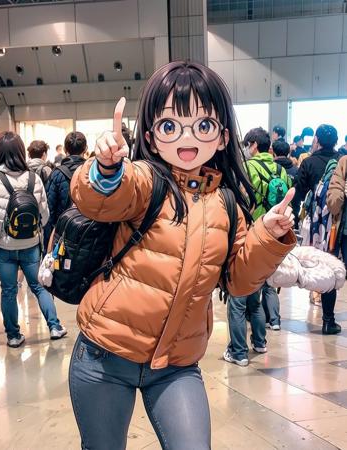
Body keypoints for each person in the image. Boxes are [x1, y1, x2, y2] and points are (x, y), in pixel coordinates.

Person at [68, 61, 296, 450]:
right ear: (153, 138)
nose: (187, 138)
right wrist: (106, 167)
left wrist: (267, 236)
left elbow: (239, 279)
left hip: (176, 365)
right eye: (171, 126)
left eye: (203, 125)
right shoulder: (144, 180)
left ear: (223, 137)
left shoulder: (226, 204)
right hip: (104, 354)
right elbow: (98, 200)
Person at [0, 132, 67, 347]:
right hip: (31, 244)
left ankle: (13, 335)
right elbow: (45, 214)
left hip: (4, 246)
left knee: (9, 290)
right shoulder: (33, 178)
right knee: (39, 287)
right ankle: (55, 326)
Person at [293, 124, 341, 334]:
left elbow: (299, 191)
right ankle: (328, 318)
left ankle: (322, 307)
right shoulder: (342, 161)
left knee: (322, 263)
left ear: (317, 141)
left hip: (317, 224)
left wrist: (293, 216)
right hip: (340, 223)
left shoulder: (309, 162)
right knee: (335, 263)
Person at [245, 128, 291, 331]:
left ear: (254, 145)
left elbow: (245, 198)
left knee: (254, 276)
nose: (247, 148)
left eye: (247, 144)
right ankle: (275, 319)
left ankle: (255, 316)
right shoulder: (280, 169)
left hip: (256, 227)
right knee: (271, 276)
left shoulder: (248, 167)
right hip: (277, 230)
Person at [45, 132, 87, 241]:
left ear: (64, 149)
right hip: (89, 232)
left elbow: (49, 209)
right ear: (86, 149)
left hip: (62, 233)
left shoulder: (56, 174)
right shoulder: (92, 172)